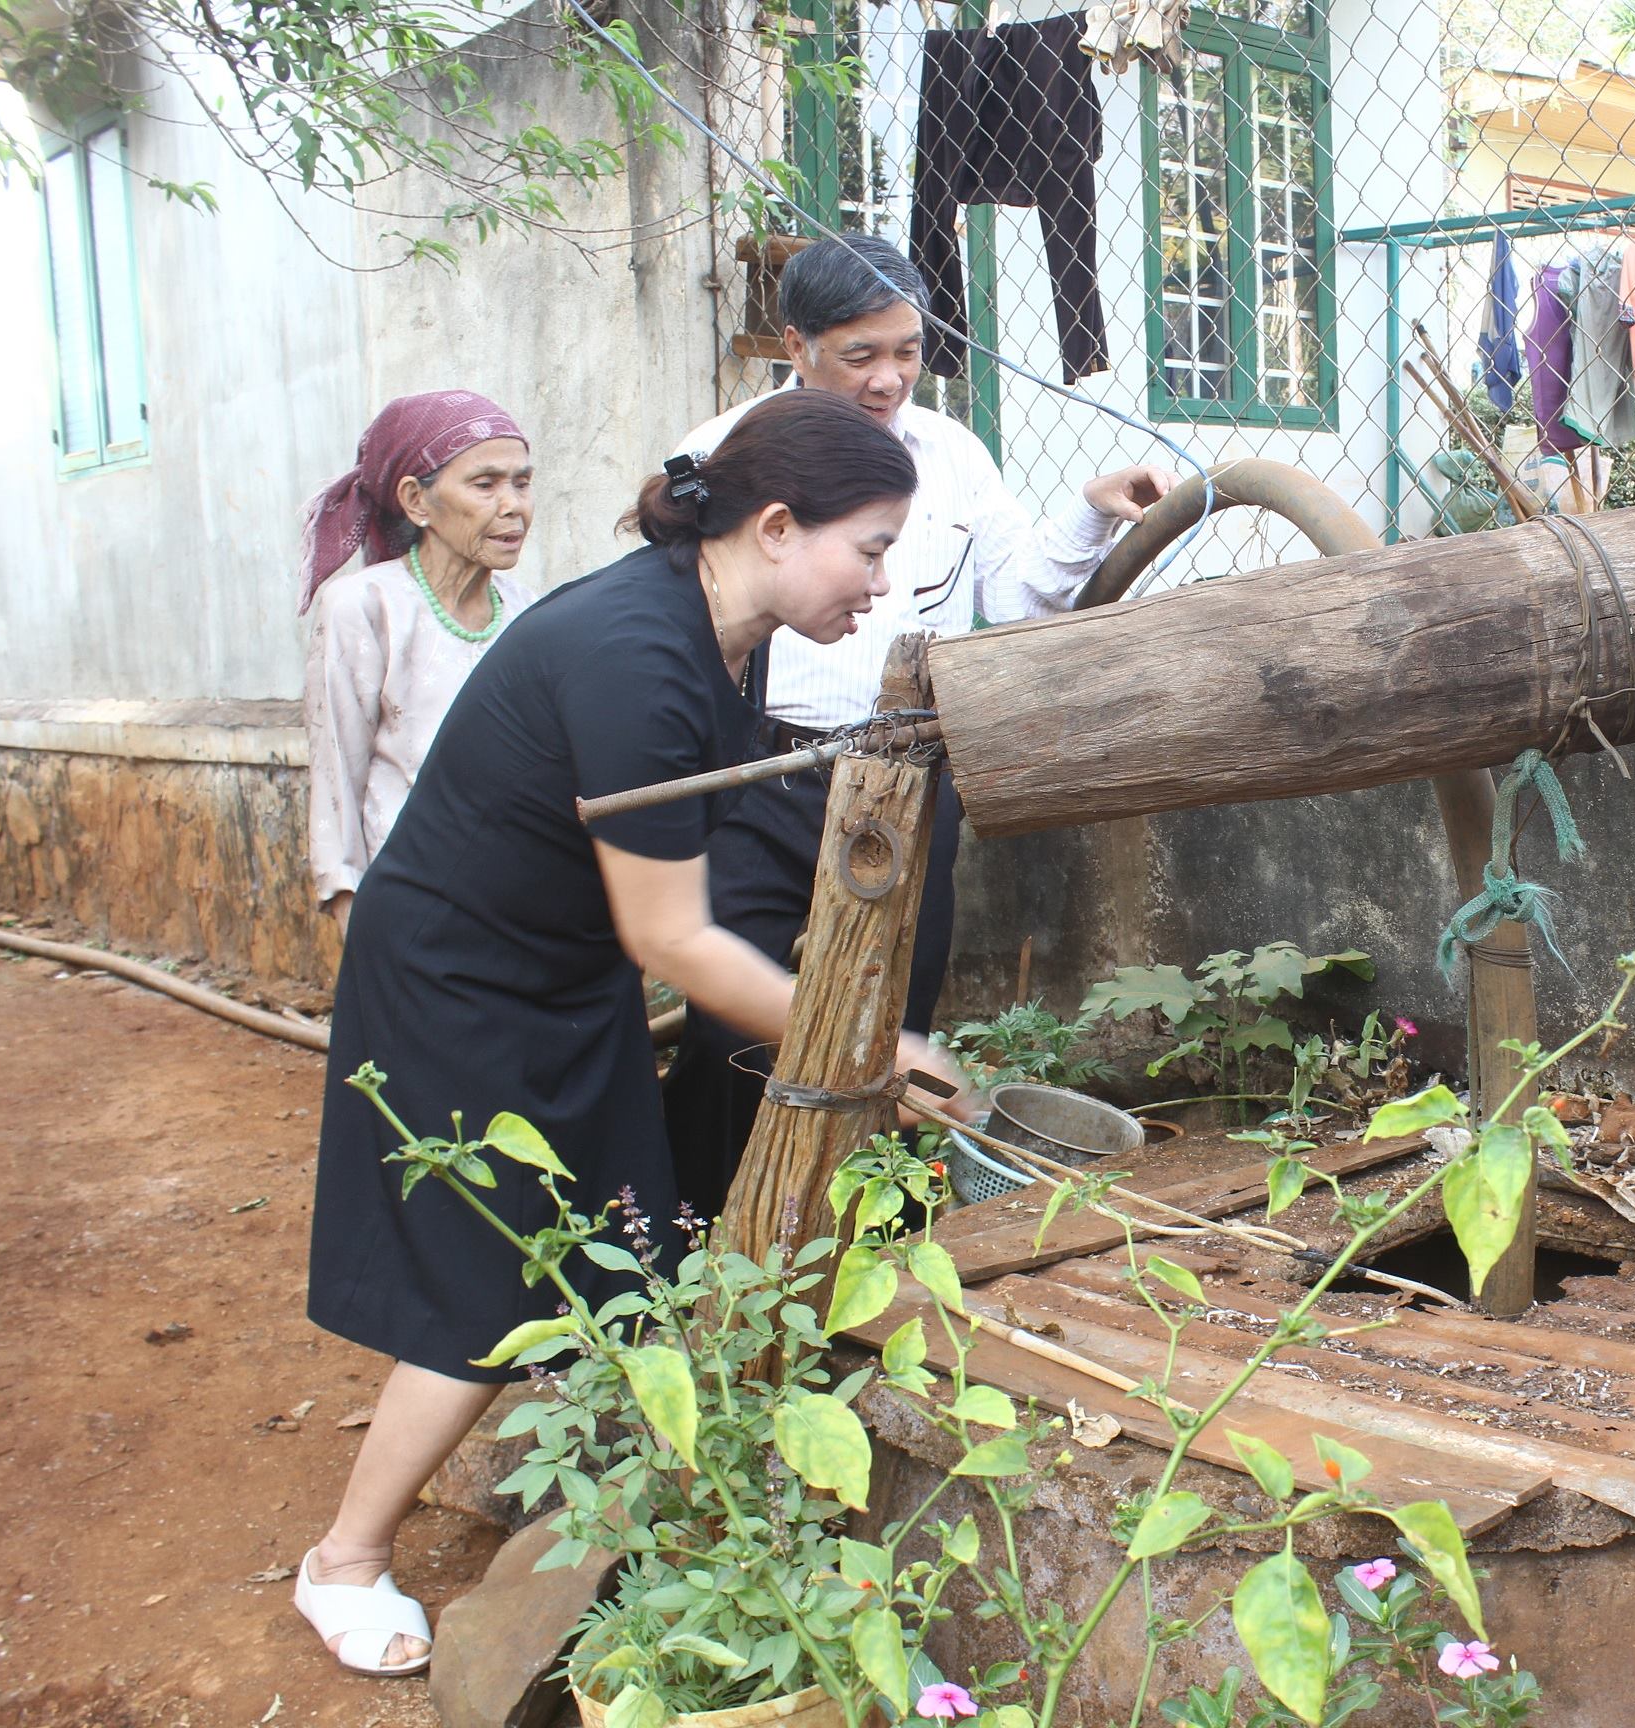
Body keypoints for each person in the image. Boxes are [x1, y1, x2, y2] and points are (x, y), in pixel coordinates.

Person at [292, 391, 975, 1677]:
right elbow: (671, 937)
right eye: (871, 550)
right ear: (778, 527)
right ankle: (344, 1560)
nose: (881, 585)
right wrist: (873, 1051)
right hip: (459, 975)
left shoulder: (722, 628)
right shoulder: (637, 654)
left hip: (560, 970)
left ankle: (620, 1495)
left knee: (621, 1237)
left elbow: (679, 883)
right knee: (482, 1279)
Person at [661, 234, 1175, 1218]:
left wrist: (1092, 513)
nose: (890, 377)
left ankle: (872, 1234)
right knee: (737, 1016)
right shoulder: (722, 452)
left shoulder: (953, 456)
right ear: (795, 343)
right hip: (762, 767)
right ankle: (693, 1240)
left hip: (906, 776)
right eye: (861, 355)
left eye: (908, 349)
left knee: (899, 1003)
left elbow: (1020, 598)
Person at [300, 391, 539, 940]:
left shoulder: (529, 610)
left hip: (523, 911)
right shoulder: (364, 607)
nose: (514, 506)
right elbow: (338, 773)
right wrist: (351, 919)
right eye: (485, 485)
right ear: (416, 501)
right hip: (412, 914)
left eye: (522, 483)